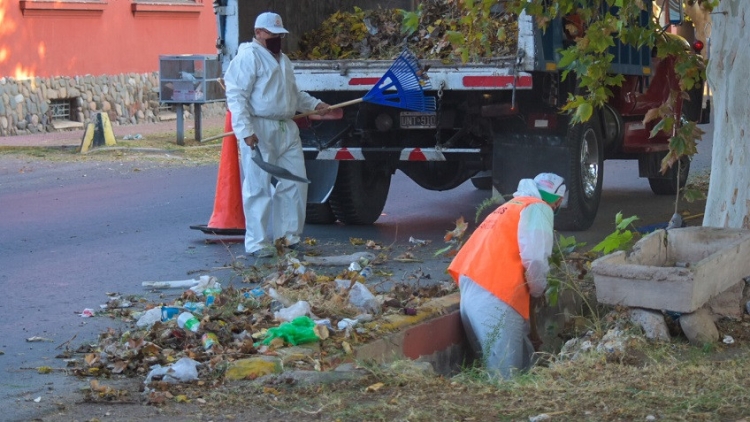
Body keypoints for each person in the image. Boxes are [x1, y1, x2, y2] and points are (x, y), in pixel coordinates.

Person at [223, 12, 330, 257]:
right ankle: (258, 243)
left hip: (286, 127)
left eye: (280, 34)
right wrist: (245, 131)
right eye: (272, 33)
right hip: (259, 128)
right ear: (258, 32)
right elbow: (237, 96)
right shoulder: (248, 57)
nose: (277, 38)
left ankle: (289, 238)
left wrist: (314, 105)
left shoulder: (284, 60)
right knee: (258, 186)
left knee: (294, 183)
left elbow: (294, 93)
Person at [447, 173, 566, 378]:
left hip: (474, 288)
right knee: (506, 377)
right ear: (559, 200)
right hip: (496, 294)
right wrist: (538, 289)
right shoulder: (540, 208)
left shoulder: (512, 205)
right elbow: (536, 259)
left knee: (509, 365)